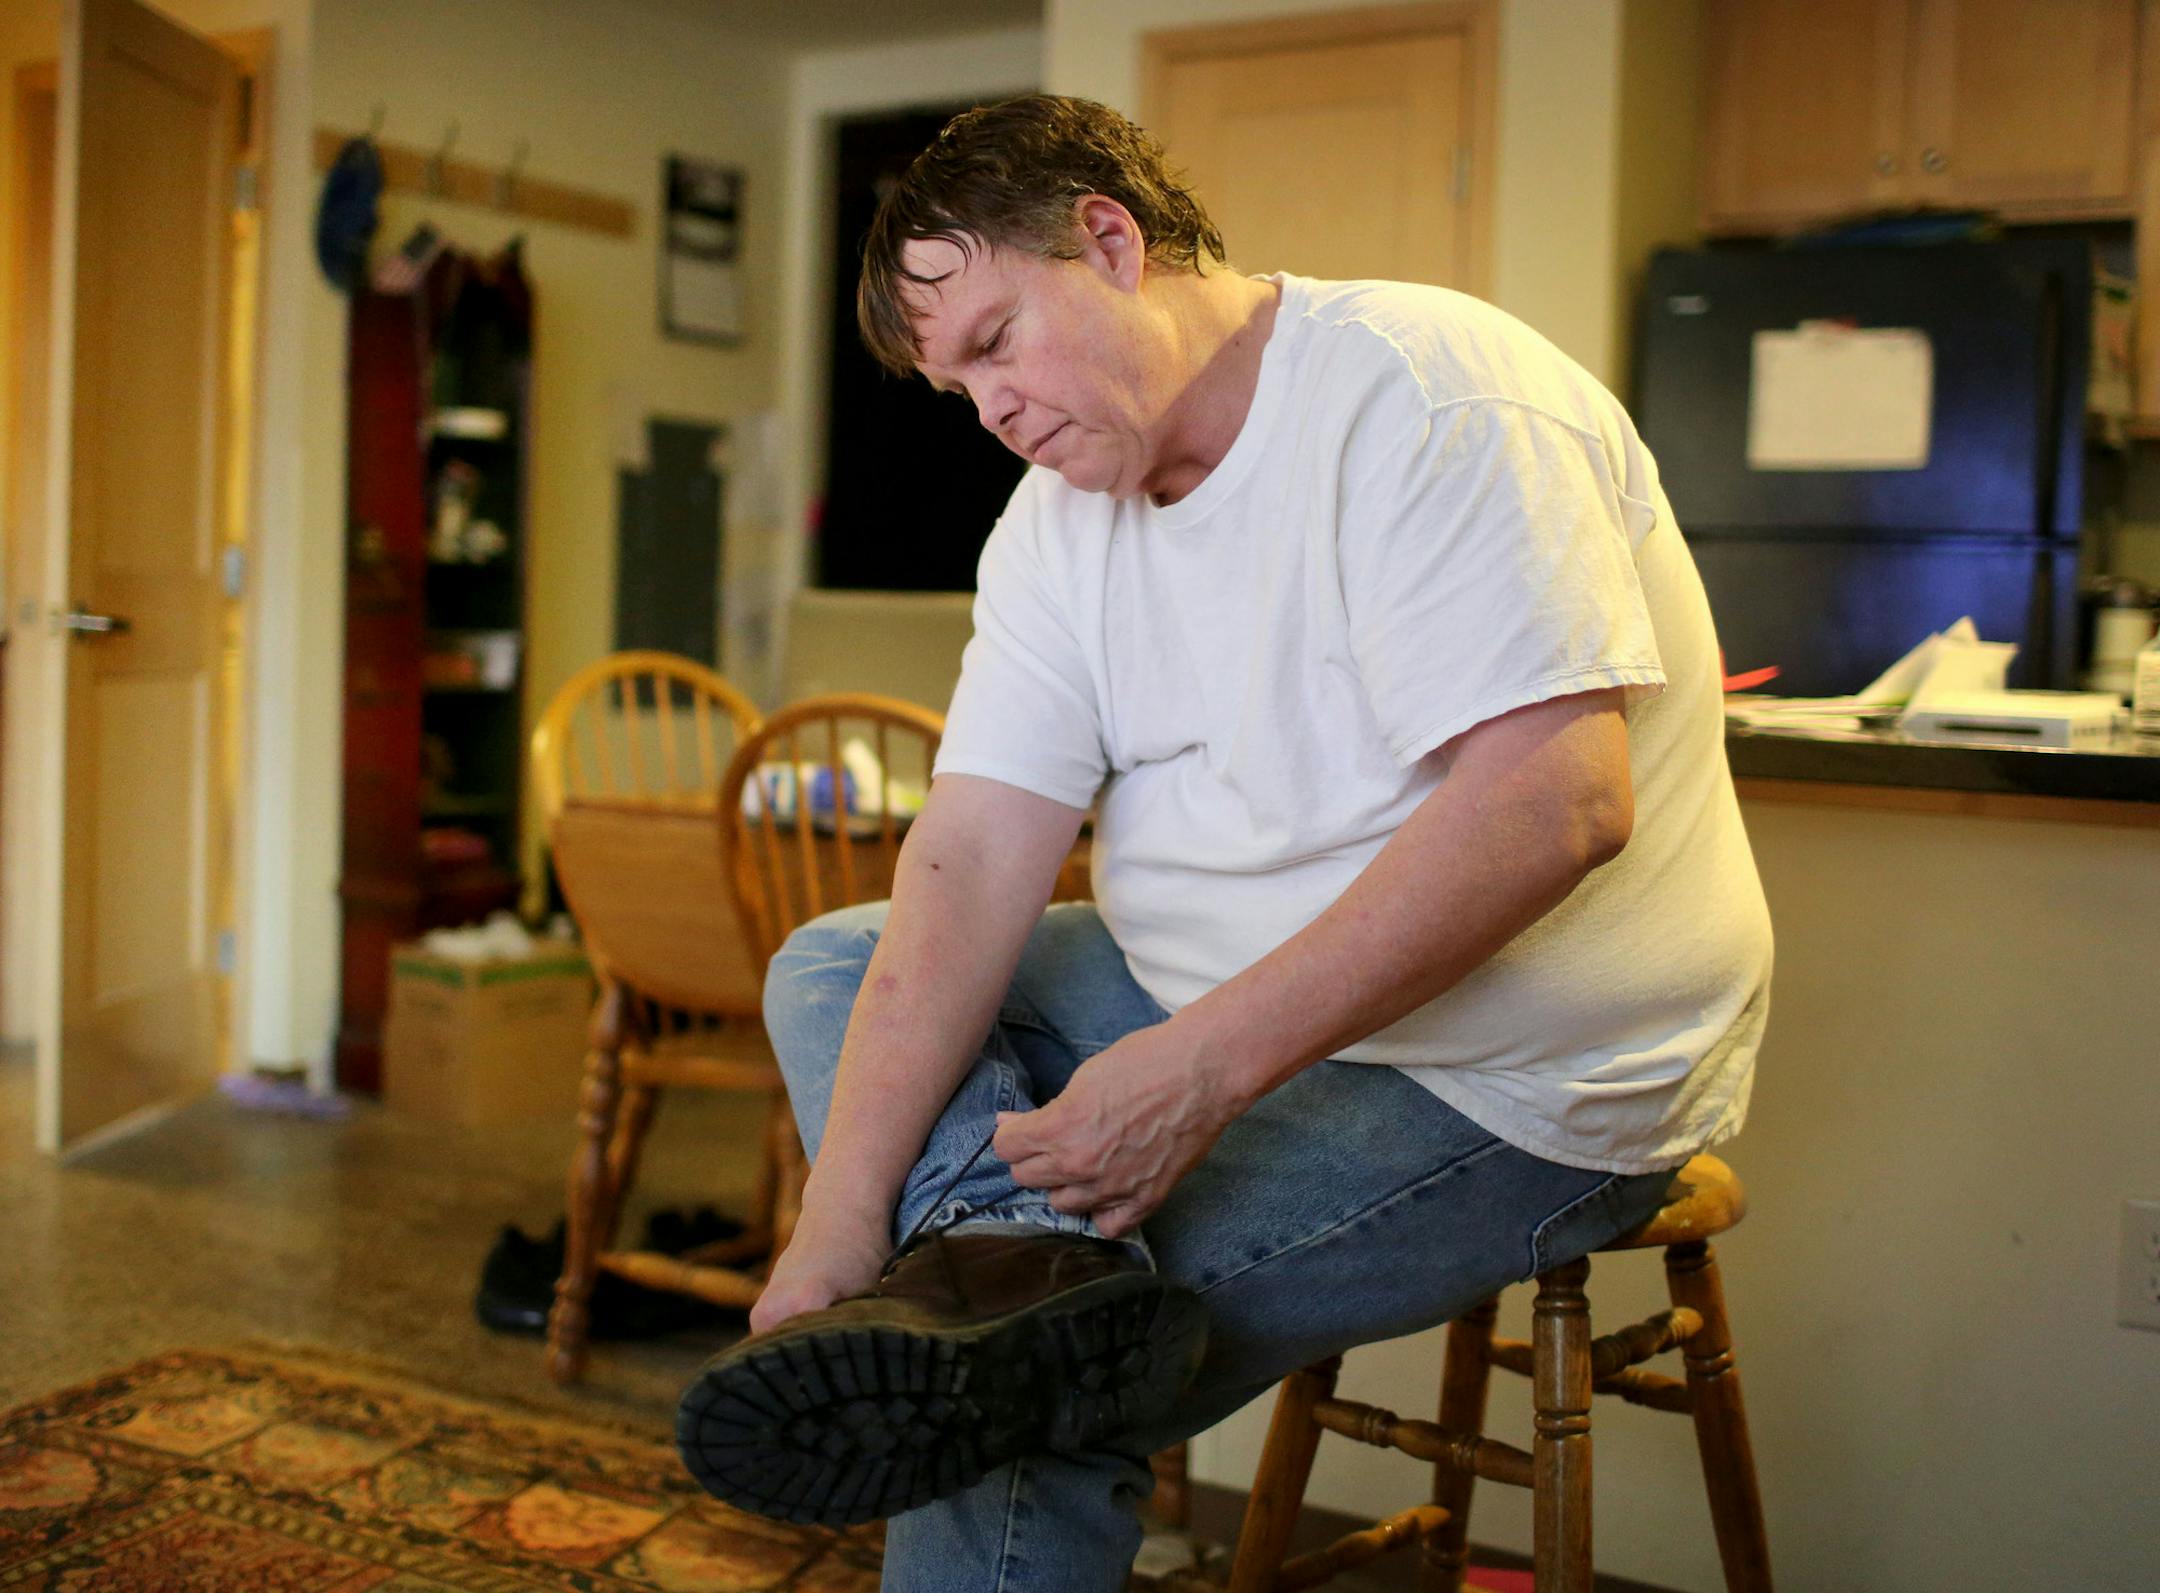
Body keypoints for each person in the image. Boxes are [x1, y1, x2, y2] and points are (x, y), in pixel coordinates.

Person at [675, 93, 1772, 1592]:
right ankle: (1016, 1280)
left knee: (1028, 1387)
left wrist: (1195, 1073)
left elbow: (1554, 803)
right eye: (956, 389)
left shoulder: (1430, 396)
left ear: (1110, 242)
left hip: (1521, 1082)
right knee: (837, 964)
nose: (989, 412)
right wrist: (838, 1224)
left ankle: (1020, 1318)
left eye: (995, 341)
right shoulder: (1054, 523)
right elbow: (970, 857)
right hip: (1208, 991)